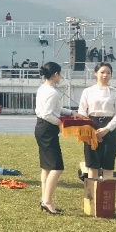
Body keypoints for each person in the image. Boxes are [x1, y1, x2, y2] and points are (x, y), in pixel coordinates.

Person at [35, 62, 80, 214]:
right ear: (55, 74)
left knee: (47, 167)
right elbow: (48, 114)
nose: (61, 77)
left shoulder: (43, 88)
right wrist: (60, 123)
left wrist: (70, 112)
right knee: (57, 167)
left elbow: (56, 109)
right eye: (60, 74)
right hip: (47, 129)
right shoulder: (52, 92)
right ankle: (47, 202)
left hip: (42, 127)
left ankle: (44, 199)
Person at [77, 63, 116, 182]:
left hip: (109, 128)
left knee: (108, 164)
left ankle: (106, 192)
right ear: (95, 73)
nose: (105, 75)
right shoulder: (88, 91)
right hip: (91, 125)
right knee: (92, 164)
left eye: (108, 73)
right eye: (102, 72)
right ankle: (91, 193)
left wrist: (107, 129)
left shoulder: (115, 92)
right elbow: (82, 111)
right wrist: (91, 129)